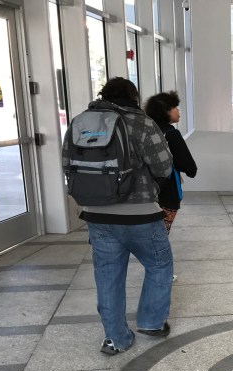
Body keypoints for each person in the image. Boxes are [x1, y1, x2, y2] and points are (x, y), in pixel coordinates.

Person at [61, 77, 174, 355]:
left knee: (108, 275)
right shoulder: (142, 123)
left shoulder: (80, 122)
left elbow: (67, 164)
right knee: (159, 266)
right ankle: (151, 322)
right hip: (141, 214)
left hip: (97, 215)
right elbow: (164, 166)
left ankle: (115, 338)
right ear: (134, 98)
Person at [143, 91, 198, 234]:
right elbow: (190, 168)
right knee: (159, 236)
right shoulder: (171, 134)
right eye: (175, 107)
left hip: (144, 192)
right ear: (165, 110)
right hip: (167, 195)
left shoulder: (146, 131)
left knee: (147, 234)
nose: (178, 110)